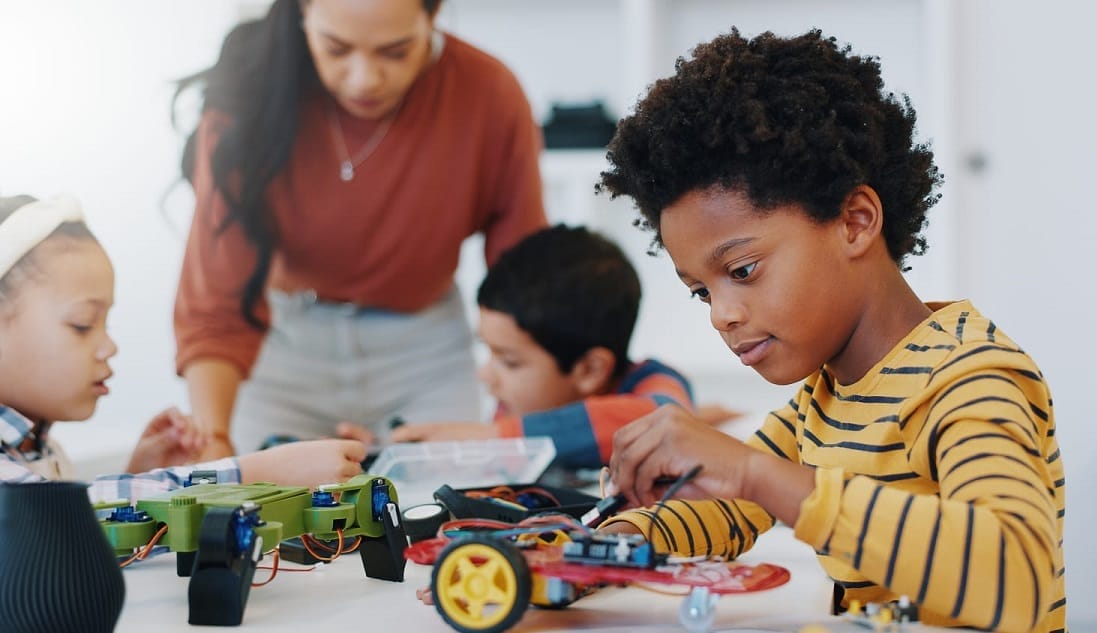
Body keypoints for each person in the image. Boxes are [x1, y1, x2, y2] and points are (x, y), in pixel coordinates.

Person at [597, 29, 1066, 632]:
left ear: (854, 221)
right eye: (702, 291)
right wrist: (612, 536)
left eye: (743, 270)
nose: (721, 314)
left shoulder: (968, 379)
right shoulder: (828, 396)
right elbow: (726, 510)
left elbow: (1017, 572)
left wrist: (754, 472)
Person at [172, 0, 547, 461]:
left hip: (426, 354)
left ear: (433, 17)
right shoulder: (245, 99)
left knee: (446, 516)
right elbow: (215, 304)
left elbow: (528, 289)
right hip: (281, 351)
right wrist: (214, 442)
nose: (364, 79)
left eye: (396, 51)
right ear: (302, 16)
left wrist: (521, 430)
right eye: (336, 49)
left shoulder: (490, 92)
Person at [0, 194, 368, 503]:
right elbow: (49, 524)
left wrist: (140, 477)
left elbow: (78, 534)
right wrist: (252, 475)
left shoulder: (36, 449)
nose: (108, 347)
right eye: (82, 324)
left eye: (105, 324)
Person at [343, 224, 695, 470]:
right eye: (490, 353)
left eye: (509, 362)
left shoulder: (652, 382)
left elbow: (665, 420)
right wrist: (397, 457)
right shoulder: (514, 413)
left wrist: (492, 439)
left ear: (589, 370)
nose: (486, 377)